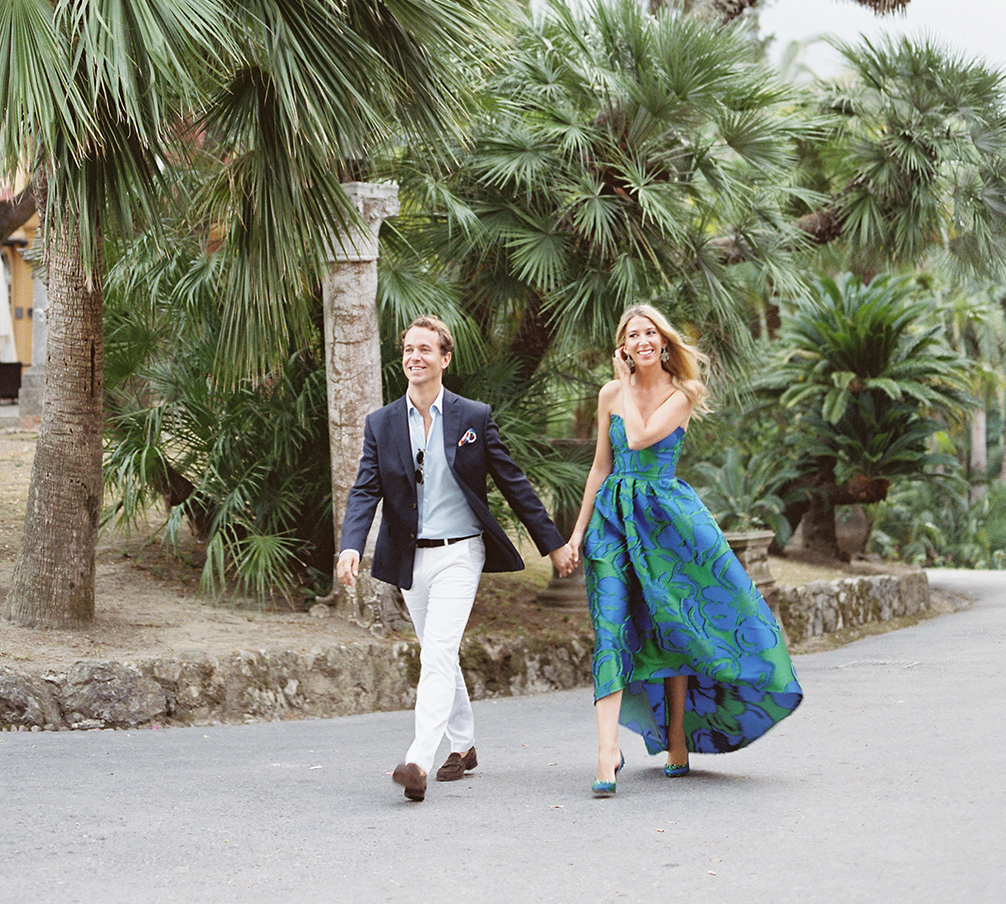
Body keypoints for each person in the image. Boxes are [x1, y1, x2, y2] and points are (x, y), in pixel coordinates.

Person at [337, 315, 576, 802]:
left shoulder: (473, 417)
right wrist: (350, 545)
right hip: (409, 558)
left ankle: (417, 760)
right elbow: (365, 491)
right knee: (437, 653)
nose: (414, 356)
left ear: (445, 358)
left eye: (425, 348)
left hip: (460, 553)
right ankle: (463, 746)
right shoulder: (381, 424)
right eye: (408, 348)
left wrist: (553, 543)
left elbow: (515, 484)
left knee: (440, 651)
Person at [568, 303, 802, 796]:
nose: (643, 340)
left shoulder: (684, 393)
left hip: (666, 521)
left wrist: (624, 383)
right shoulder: (610, 393)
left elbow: (638, 436)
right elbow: (601, 466)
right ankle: (607, 750)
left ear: (664, 342)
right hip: (613, 519)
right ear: (625, 345)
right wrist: (576, 534)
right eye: (633, 334)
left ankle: (677, 733)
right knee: (610, 626)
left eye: (650, 332)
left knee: (669, 625)